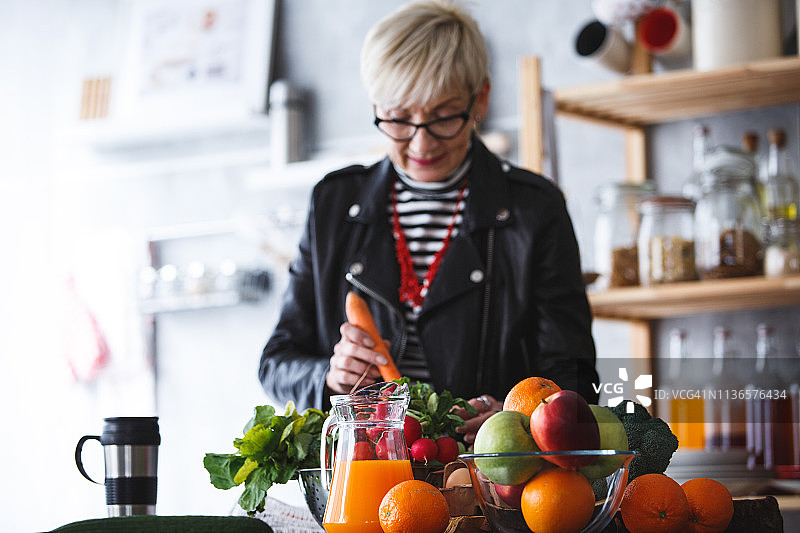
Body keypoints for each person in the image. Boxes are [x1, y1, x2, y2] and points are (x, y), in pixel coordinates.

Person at [259, 0, 598, 443]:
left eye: (442, 117)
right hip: (366, 472)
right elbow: (277, 361)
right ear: (376, 105)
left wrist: (516, 416)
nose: (420, 143)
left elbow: (575, 375)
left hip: (487, 480)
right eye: (398, 118)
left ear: (481, 98)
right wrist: (330, 377)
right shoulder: (333, 203)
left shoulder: (535, 210)